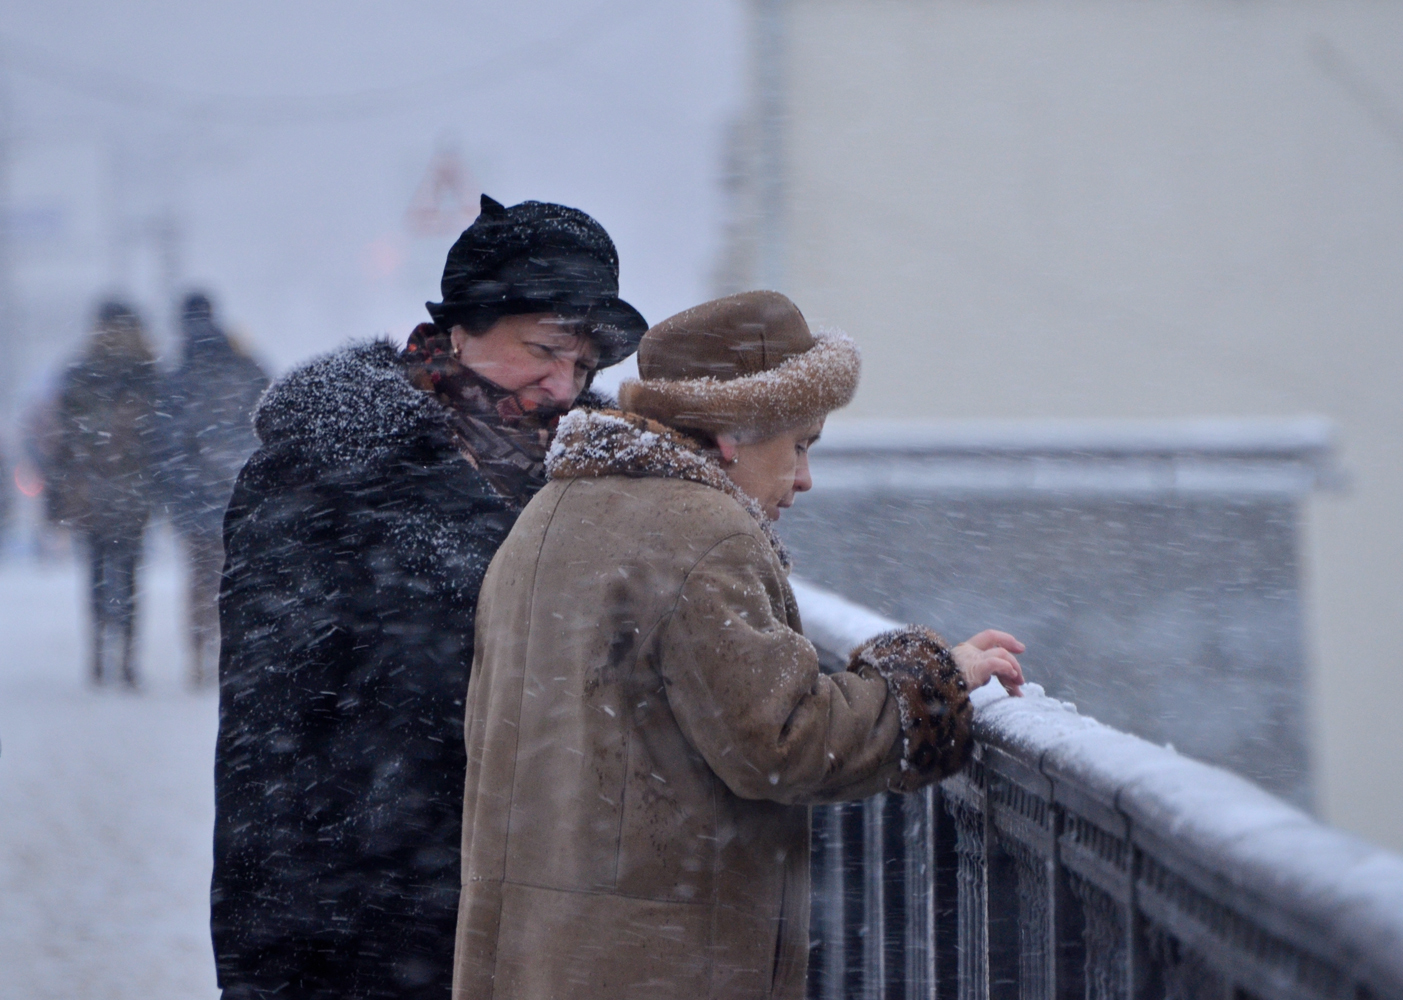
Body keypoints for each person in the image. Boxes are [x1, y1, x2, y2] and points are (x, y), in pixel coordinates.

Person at [452, 291, 1026, 1000]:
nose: (805, 478)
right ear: (729, 432)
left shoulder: (554, 510)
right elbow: (783, 741)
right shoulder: (701, 532)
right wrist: (929, 684)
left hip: (536, 956)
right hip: (649, 966)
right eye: (798, 445)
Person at [210, 194, 647, 1000]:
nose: (562, 386)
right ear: (459, 329)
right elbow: (268, 739)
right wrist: (265, 959)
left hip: (558, 916)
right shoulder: (325, 474)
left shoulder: (601, 484)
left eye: (584, 367)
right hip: (377, 917)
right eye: (544, 350)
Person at [158, 292, 269, 688]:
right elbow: (268, 419)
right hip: (240, 490)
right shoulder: (244, 365)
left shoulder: (179, 374)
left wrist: (172, 490)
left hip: (194, 494)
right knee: (237, 574)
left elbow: (166, 438)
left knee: (199, 575)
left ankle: (199, 654)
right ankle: (235, 653)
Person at [47, 301, 160, 688]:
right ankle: (127, 658)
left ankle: (97, 653)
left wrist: (60, 490)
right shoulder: (147, 372)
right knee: (128, 574)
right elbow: (159, 439)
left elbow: (63, 438)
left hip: (91, 487)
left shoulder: (80, 372)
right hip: (132, 489)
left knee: (96, 572)